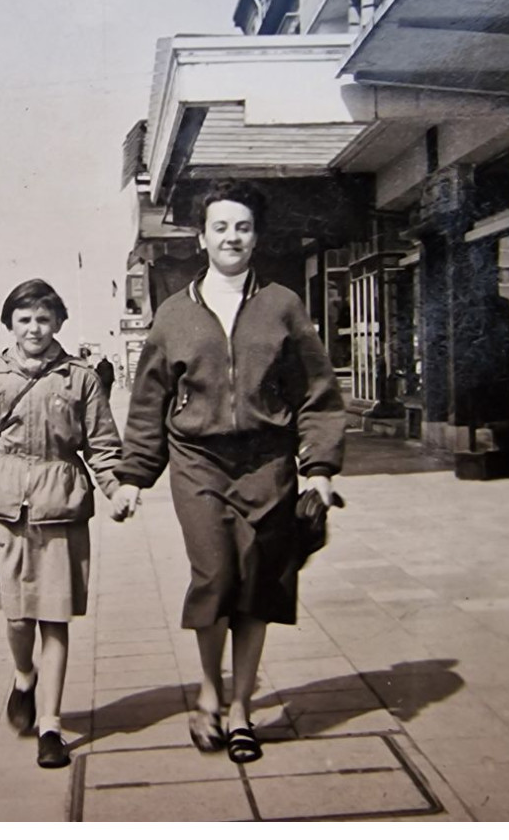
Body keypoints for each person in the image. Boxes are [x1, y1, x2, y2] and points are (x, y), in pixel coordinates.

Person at [112, 181, 346, 764]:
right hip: (199, 462)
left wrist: (319, 468)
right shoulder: (173, 314)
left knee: (257, 580)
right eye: (220, 227)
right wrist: (133, 477)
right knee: (215, 573)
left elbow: (317, 392)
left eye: (242, 227)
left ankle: (240, 708)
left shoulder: (283, 305)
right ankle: (209, 692)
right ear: (202, 237)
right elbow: (148, 402)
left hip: (268, 461)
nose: (231, 237)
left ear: (256, 236)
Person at [0, 279, 131, 769]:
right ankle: (23, 677)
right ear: (10, 323)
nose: (34, 328)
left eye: (44, 319)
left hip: (62, 506)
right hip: (8, 508)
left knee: (54, 619)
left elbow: (102, 446)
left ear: (58, 323)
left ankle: (50, 725)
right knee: (18, 619)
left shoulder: (80, 378)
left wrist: (116, 490)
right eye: (25, 319)